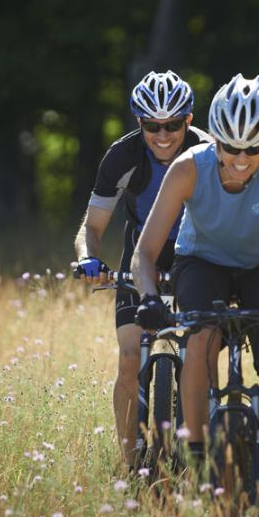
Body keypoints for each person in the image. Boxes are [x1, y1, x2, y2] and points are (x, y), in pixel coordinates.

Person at [131, 73, 259, 517]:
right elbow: (145, 252)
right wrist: (148, 297)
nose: (240, 161)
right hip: (202, 262)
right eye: (230, 149)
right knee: (200, 339)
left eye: (253, 150)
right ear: (215, 141)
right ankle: (199, 461)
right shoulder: (188, 168)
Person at [72, 70, 211, 472]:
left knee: (204, 352)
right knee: (130, 357)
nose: (163, 134)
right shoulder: (123, 156)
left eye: (172, 124)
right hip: (141, 256)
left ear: (189, 119)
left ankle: (201, 455)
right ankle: (131, 467)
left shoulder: (208, 151)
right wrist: (88, 259)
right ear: (139, 123)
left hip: (195, 255)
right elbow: (91, 227)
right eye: (152, 125)